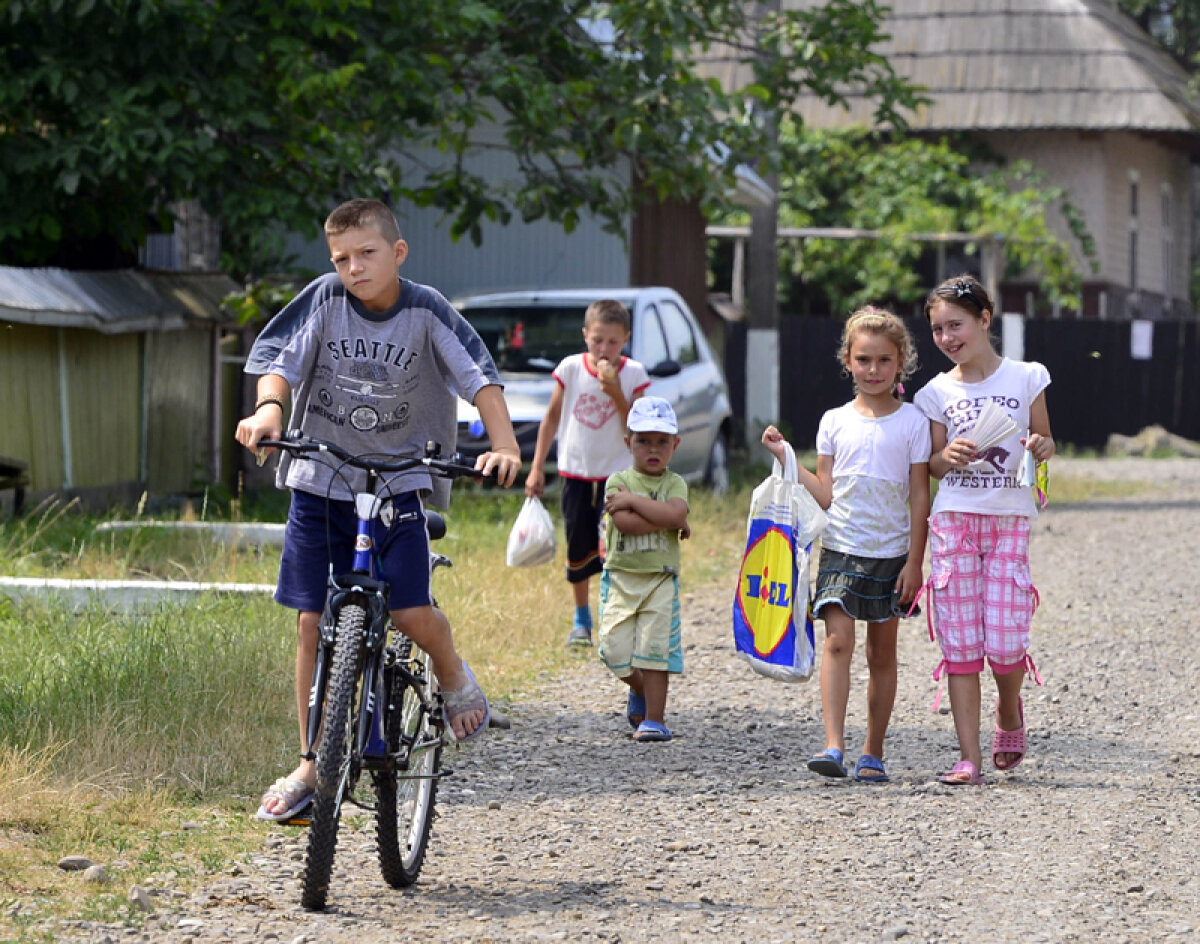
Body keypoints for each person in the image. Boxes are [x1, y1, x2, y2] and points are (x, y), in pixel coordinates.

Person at [235, 198, 522, 821]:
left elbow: (480, 377)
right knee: (312, 622)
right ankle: (311, 762)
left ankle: (450, 673)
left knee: (415, 610)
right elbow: (279, 365)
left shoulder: (426, 310)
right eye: (341, 258)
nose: (354, 269)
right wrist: (267, 413)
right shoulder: (323, 300)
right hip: (322, 480)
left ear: (398, 253)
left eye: (367, 254)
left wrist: (503, 445)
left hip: (398, 486)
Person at [761, 306, 930, 783]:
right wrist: (786, 457)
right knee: (837, 642)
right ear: (847, 361)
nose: (873, 370)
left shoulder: (914, 423)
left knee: (881, 655)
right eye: (863, 360)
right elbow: (826, 491)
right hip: (840, 547)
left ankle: (872, 750)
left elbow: (920, 495)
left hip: (891, 554)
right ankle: (833, 745)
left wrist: (915, 562)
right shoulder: (833, 421)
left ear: (900, 362)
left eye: (883, 360)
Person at [913, 274, 1055, 786]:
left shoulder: (1025, 377)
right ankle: (968, 756)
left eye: (956, 325)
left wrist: (1041, 447)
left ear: (984, 321)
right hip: (954, 520)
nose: (948, 338)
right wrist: (944, 456)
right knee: (961, 645)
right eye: (937, 330)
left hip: (1009, 519)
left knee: (1006, 641)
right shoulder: (934, 393)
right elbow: (929, 464)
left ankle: (1009, 708)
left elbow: (1045, 440)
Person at [525, 299, 651, 646]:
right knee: (578, 547)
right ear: (585, 336)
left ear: (625, 338)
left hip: (618, 477)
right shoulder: (570, 369)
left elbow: (639, 428)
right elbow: (551, 418)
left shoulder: (634, 375)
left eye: (612, 341)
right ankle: (581, 617)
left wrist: (615, 393)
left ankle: (618, 616)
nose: (604, 349)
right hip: (576, 473)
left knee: (616, 548)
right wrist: (537, 468)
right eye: (597, 340)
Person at [597, 396, 690, 743]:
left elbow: (676, 514)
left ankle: (655, 718)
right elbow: (625, 524)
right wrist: (664, 518)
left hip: (660, 578)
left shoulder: (675, 484)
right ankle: (639, 688)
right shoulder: (617, 481)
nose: (653, 448)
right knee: (613, 650)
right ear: (628, 442)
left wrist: (637, 503)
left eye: (662, 441)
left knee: (654, 651)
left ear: (675, 444)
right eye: (644, 440)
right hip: (621, 579)